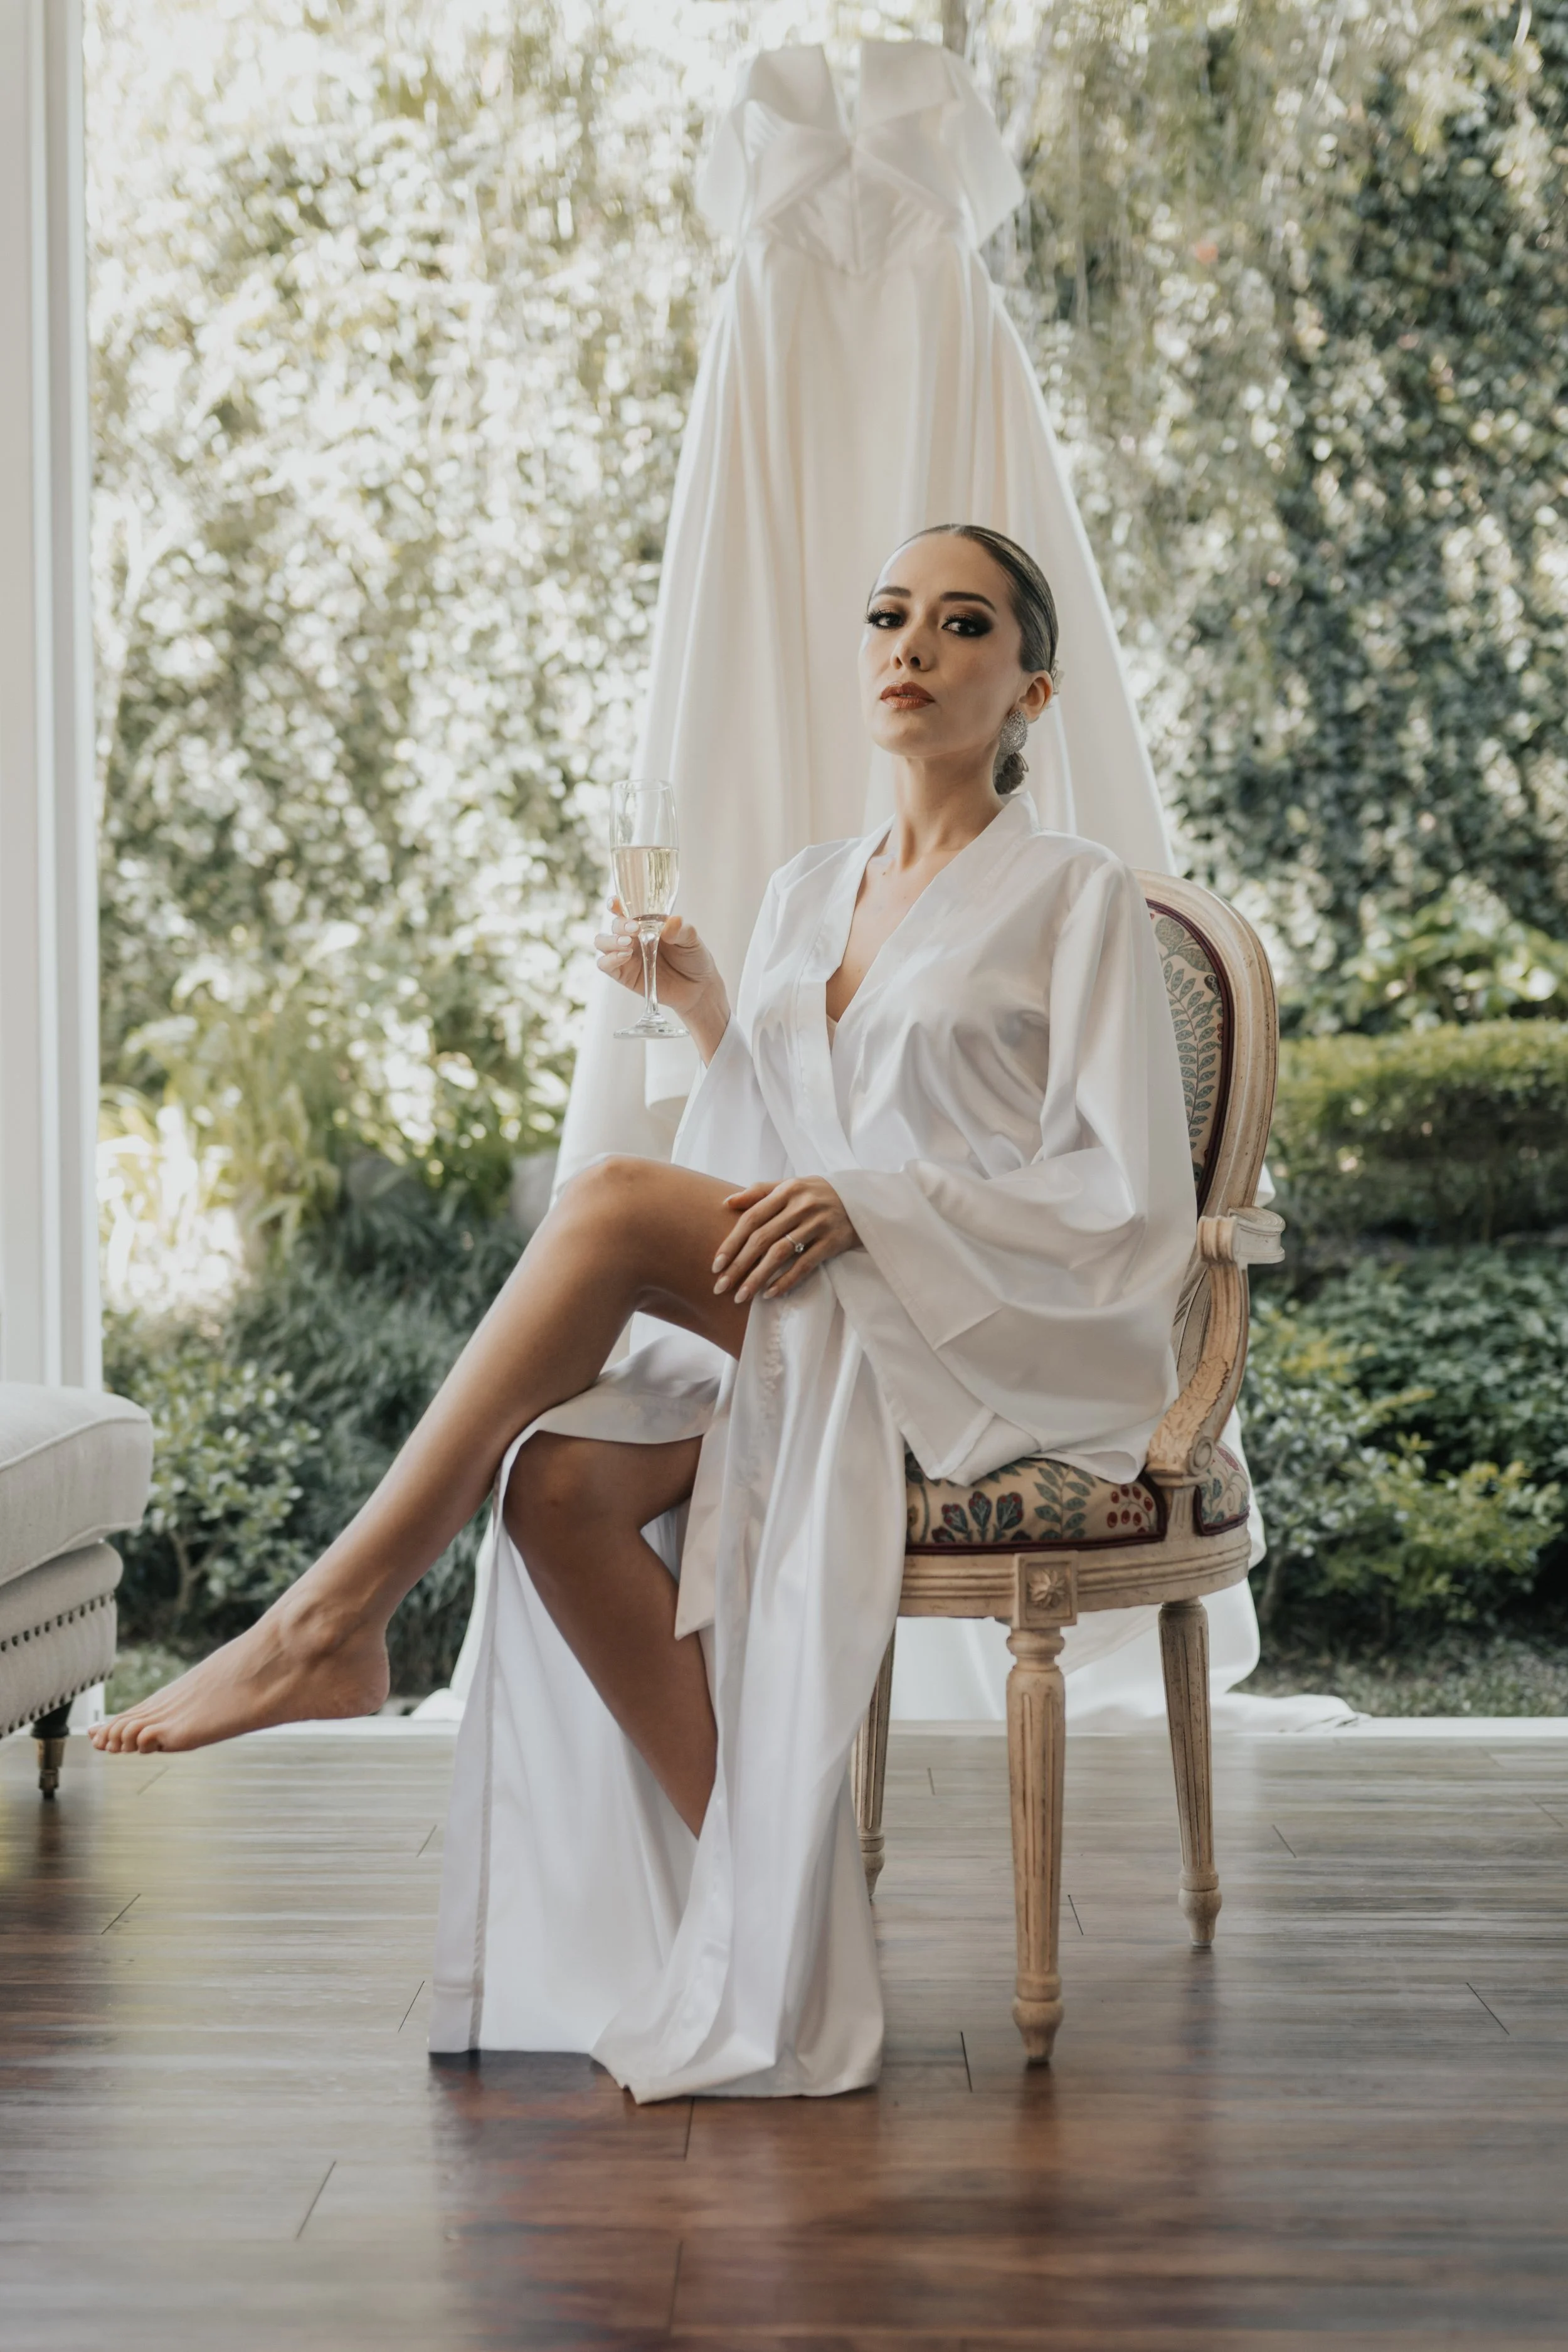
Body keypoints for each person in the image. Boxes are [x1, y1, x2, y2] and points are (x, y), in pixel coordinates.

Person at [93, 524, 1197, 2100]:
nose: (911, 646)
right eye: (888, 614)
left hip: (982, 1330)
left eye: (960, 626)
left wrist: (883, 1210)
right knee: (557, 1486)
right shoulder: (816, 889)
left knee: (612, 1197)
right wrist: (703, 1009)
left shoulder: (1076, 896)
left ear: (1029, 687)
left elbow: (1131, 1196)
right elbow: (779, 1137)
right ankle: (782, 1921)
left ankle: (327, 1622)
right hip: (820, 1304)